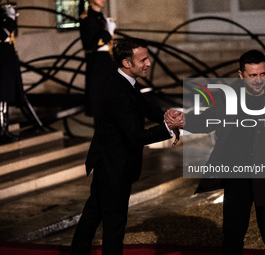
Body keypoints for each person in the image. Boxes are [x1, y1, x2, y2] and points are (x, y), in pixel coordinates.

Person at [166, 50, 265, 255]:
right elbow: (207, 120)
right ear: (241, 75)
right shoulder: (226, 98)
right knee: (232, 236)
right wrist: (183, 121)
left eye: (262, 74)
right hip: (236, 175)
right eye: (253, 75)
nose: (259, 80)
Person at [70, 37, 183, 255]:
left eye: (148, 58)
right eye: (143, 60)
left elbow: (144, 106)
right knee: (114, 225)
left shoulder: (124, 82)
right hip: (113, 168)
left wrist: (165, 116)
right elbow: (135, 136)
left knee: (93, 215)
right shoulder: (118, 92)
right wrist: (168, 127)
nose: (148, 64)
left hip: (110, 164)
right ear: (127, 63)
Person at [79, 0, 117, 125]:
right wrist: (109, 33)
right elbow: (92, 44)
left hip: (106, 59)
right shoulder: (87, 17)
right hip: (97, 62)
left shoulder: (101, 17)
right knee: (100, 102)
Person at [0, 0, 22, 143]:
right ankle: (0, 131)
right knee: (1, 96)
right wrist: (10, 19)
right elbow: (1, 34)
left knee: (5, 95)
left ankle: (3, 128)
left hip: (4, 57)